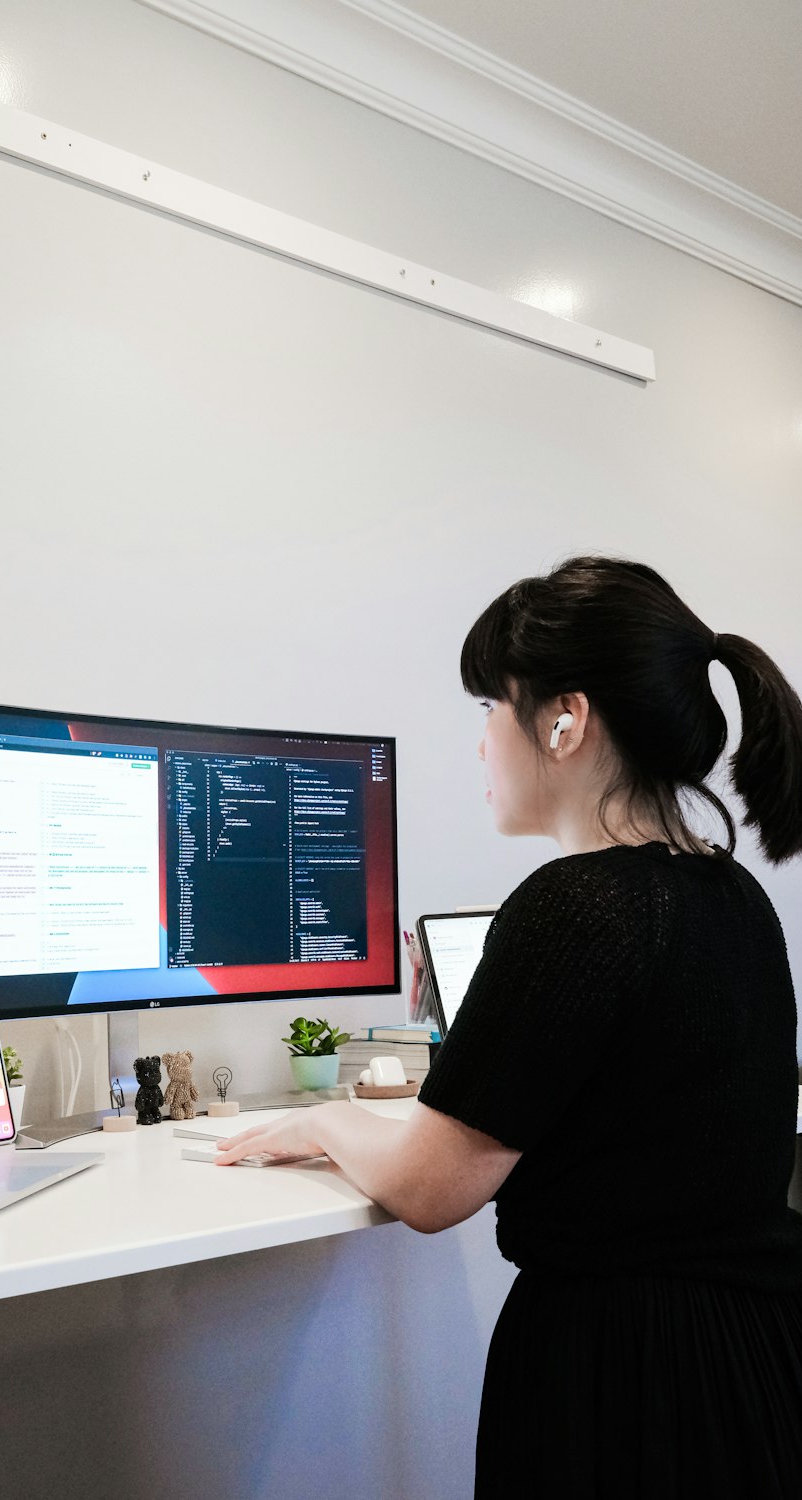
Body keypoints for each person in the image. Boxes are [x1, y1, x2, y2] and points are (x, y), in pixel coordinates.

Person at [215, 556, 802, 1498]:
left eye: (490, 707)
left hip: (622, 1380)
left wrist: (317, 1120)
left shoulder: (574, 905)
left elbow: (430, 1188)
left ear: (564, 721)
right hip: (749, 1362)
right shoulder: (732, 894)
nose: (482, 742)